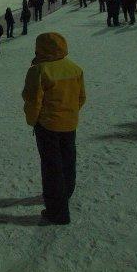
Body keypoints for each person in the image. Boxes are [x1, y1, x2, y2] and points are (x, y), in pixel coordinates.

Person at [21, 33, 86, 225]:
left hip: (48, 125)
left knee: (51, 167)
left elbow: (33, 100)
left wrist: (33, 121)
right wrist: (69, 113)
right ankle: (65, 194)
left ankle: (57, 213)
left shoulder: (39, 70)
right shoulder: (74, 68)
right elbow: (81, 97)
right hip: (69, 123)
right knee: (67, 160)